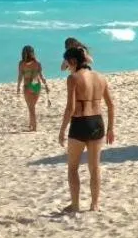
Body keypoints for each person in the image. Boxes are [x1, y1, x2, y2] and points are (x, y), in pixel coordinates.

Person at [58, 47, 115, 213]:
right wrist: (111, 128)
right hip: (97, 123)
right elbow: (111, 105)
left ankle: (75, 204)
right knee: (95, 168)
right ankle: (94, 204)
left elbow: (70, 108)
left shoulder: (73, 78)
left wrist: (62, 130)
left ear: (73, 61)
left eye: (68, 63)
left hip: (79, 123)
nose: (67, 67)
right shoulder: (101, 77)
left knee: (72, 167)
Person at [16, 45, 49, 132]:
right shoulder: (37, 63)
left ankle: (34, 127)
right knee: (32, 106)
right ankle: (31, 124)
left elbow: (20, 77)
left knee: (31, 108)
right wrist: (46, 85)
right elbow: (42, 76)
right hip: (36, 85)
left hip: (28, 86)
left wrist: (18, 87)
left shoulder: (22, 64)